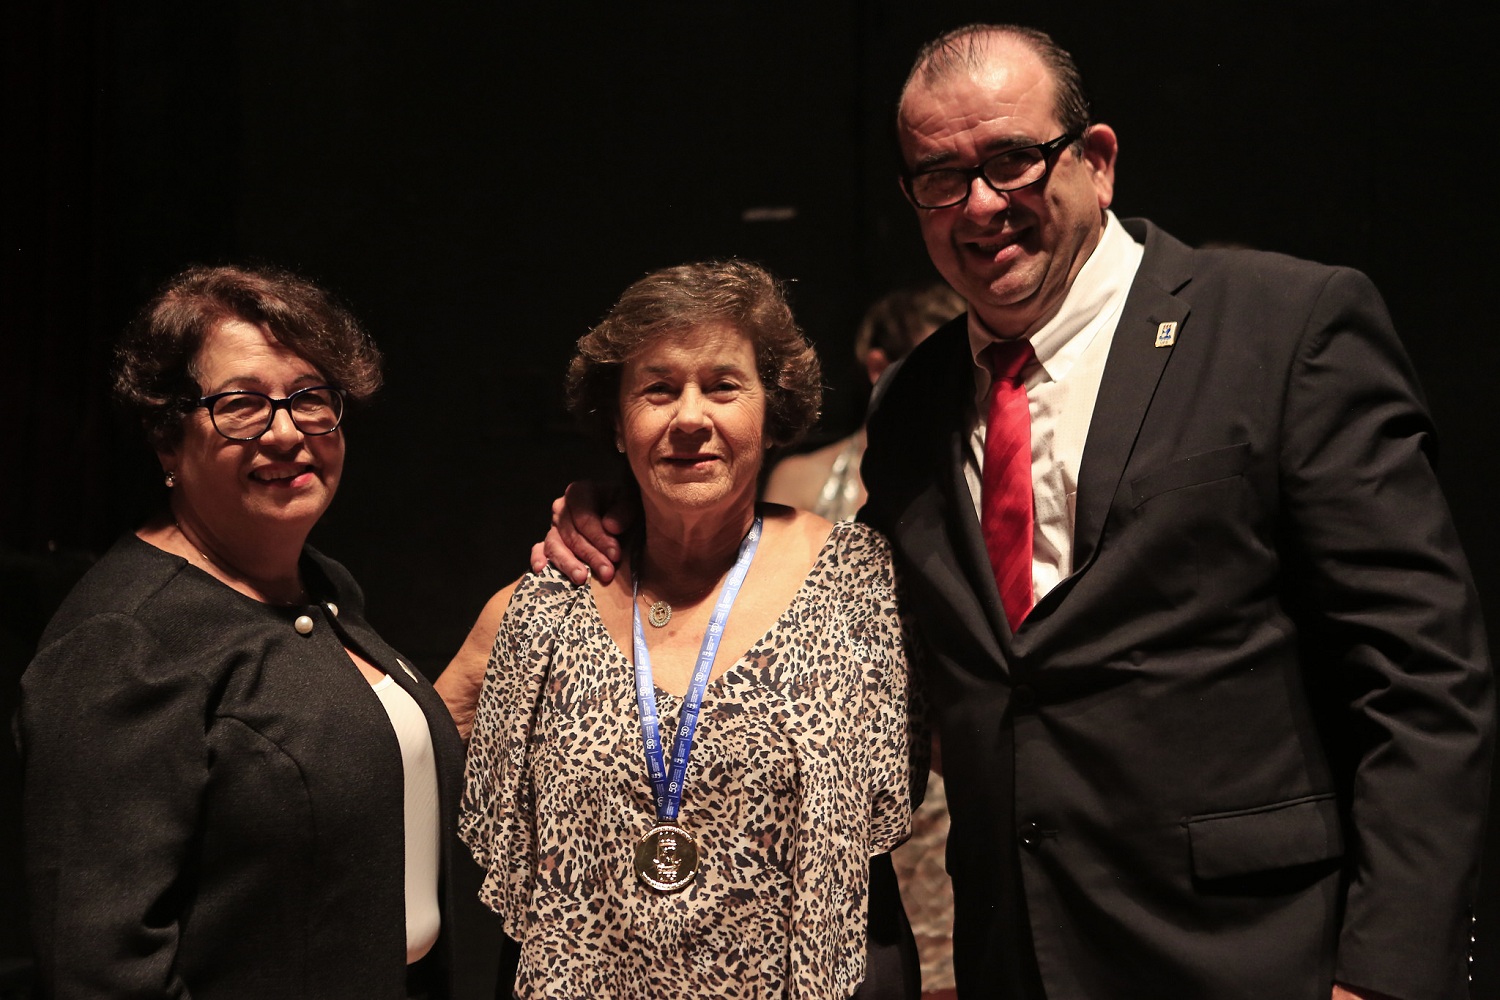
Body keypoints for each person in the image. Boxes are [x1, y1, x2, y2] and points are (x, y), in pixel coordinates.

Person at [531, 23, 1494, 1000]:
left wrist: (1391, 976)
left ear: (1098, 159)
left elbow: (1426, 679)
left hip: (1259, 959)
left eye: (1011, 161)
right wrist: (633, 518)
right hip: (1012, 961)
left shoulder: (1283, 327)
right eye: (940, 177)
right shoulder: (912, 402)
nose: (980, 204)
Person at [441, 260, 926, 999]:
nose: (690, 417)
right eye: (658, 389)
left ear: (774, 409)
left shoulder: (861, 585)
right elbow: (401, 763)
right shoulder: (546, 607)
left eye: (723, 386)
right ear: (616, 419)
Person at [19, 265, 466, 999]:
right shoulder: (122, 641)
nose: (286, 432)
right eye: (242, 405)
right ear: (167, 437)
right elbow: (98, 968)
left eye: (311, 400)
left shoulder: (324, 587)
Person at [763, 281, 965, 1000]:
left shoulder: (967, 468)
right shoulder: (799, 473)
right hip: (831, 759)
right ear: (879, 365)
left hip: (937, 754)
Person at [763, 280, 965, 521]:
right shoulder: (802, 479)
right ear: (879, 368)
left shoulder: (973, 470)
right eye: (934, 368)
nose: (952, 383)